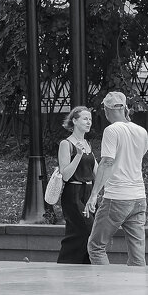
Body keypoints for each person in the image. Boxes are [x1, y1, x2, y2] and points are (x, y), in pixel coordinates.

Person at [86, 92, 148, 266]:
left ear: (106, 110)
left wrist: (94, 194)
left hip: (117, 197)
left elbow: (106, 162)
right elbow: (139, 157)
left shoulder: (112, 130)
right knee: (137, 255)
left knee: (96, 246)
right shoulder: (141, 131)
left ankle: (106, 288)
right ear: (124, 107)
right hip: (138, 197)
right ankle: (137, 289)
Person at [56, 107, 96, 264]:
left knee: (84, 232)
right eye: (85, 118)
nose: (89, 122)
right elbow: (65, 174)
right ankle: (66, 263)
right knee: (87, 229)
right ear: (74, 120)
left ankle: (84, 265)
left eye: (90, 119)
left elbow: (96, 171)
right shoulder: (66, 144)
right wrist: (78, 155)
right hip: (73, 192)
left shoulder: (87, 143)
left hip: (88, 192)